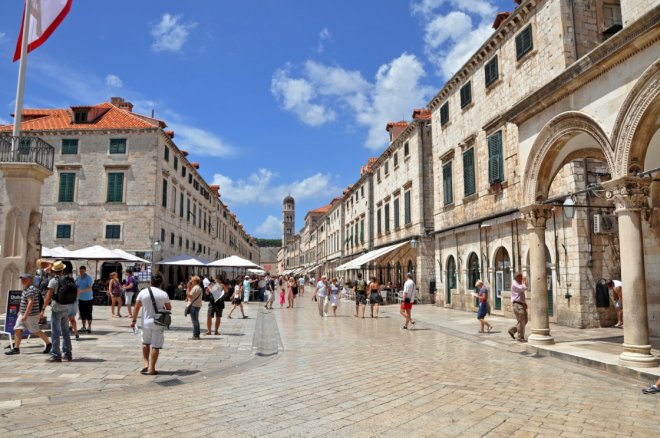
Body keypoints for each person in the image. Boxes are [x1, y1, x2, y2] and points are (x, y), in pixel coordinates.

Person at [130, 273, 171, 375]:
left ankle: (145, 364)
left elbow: (136, 307)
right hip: (158, 322)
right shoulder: (163, 294)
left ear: (151, 282)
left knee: (145, 343)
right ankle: (152, 368)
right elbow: (169, 308)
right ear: (160, 283)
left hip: (146, 322)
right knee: (156, 346)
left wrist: (133, 321)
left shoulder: (143, 292)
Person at [5, 273, 51, 355]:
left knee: (35, 331)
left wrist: (26, 315)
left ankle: (48, 344)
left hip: (31, 315)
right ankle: (16, 348)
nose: (23, 280)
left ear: (29, 280)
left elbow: (30, 302)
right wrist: (20, 311)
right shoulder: (26, 288)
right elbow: (24, 301)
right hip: (23, 314)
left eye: (24, 279)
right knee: (17, 329)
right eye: (22, 279)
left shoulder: (31, 289)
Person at [40, 261, 74, 362]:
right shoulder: (69, 279)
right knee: (65, 331)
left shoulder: (53, 281)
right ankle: (68, 354)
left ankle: (56, 355)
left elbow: (48, 296)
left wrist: (43, 309)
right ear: (62, 270)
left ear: (54, 270)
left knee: (55, 332)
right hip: (67, 308)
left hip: (57, 309)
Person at [508, 272, 528, 342]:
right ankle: (520, 337)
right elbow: (524, 288)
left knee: (525, 320)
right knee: (522, 321)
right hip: (518, 305)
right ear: (517, 278)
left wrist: (524, 303)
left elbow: (521, 294)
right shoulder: (515, 284)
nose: (521, 279)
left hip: (521, 304)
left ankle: (512, 330)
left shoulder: (518, 283)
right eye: (521, 278)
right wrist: (524, 281)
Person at [75, 266, 94, 334]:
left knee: (89, 313)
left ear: (85, 270)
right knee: (82, 314)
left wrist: (81, 291)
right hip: (80, 298)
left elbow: (90, 288)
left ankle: (89, 327)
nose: (81, 272)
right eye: (80, 271)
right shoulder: (78, 278)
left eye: (82, 271)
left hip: (88, 298)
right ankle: (83, 326)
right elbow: (76, 286)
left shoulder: (89, 278)